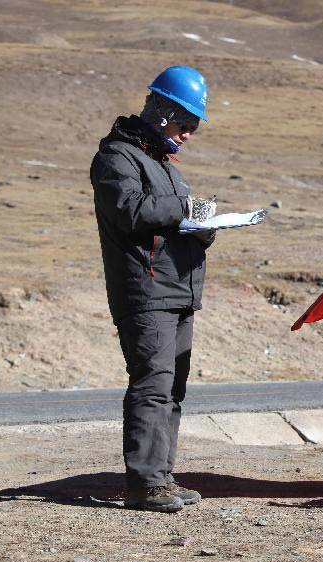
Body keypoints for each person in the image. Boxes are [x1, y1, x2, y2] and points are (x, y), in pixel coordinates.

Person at [90, 66, 217, 512]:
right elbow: (128, 209)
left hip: (178, 290)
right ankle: (144, 484)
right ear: (163, 113)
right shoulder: (116, 158)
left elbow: (172, 219)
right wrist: (186, 207)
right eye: (187, 124)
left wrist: (204, 228)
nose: (189, 134)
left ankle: (161, 476)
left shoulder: (165, 167)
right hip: (145, 291)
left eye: (194, 126)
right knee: (152, 385)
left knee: (172, 388)